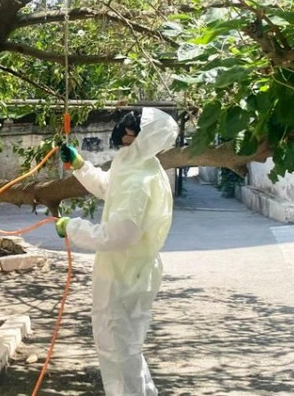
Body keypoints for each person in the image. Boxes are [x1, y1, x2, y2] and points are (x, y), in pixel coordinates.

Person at [56, 107, 179, 396]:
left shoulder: (141, 180)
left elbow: (118, 236)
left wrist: (72, 227)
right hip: (124, 270)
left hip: (126, 276)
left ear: (143, 137)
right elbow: (109, 187)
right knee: (121, 349)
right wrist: (80, 166)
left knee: (121, 351)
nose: (122, 128)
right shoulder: (135, 164)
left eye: (132, 126)